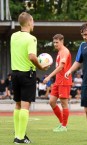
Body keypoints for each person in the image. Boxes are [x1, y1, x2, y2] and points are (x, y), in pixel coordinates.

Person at [11, 12, 48, 144]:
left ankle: (19, 134)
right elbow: (32, 56)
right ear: (29, 22)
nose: (34, 24)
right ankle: (19, 138)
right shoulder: (31, 38)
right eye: (33, 21)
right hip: (27, 74)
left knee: (17, 105)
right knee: (25, 106)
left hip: (14, 74)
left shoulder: (13, 36)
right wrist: (41, 67)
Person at [43, 34, 72, 132]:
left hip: (64, 81)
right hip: (58, 81)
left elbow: (60, 67)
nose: (55, 44)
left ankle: (64, 126)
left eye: (57, 42)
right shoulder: (60, 51)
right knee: (52, 102)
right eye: (54, 42)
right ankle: (61, 123)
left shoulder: (64, 51)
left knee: (64, 104)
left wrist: (49, 76)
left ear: (62, 41)